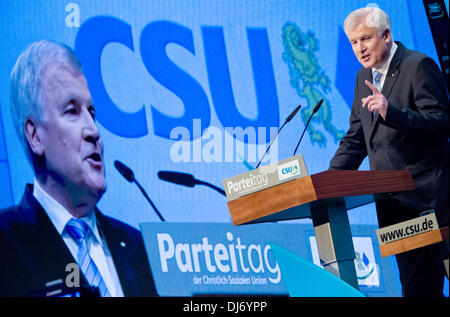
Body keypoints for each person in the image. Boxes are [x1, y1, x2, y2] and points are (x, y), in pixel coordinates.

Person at [0, 40, 158, 297]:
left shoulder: (139, 250)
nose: (93, 131)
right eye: (72, 111)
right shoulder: (6, 245)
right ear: (35, 136)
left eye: (92, 113)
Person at [330, 7, 449, 296]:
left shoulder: (418, 65)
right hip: (396, 209)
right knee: (418, 291)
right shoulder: (363, 77)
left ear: (386, 35)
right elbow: (356, 138)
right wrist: (329, 180)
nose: (360, 48)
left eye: (366, 39)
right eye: (354, 42)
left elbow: (440, 123)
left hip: (430, 202)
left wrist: (391, 112)